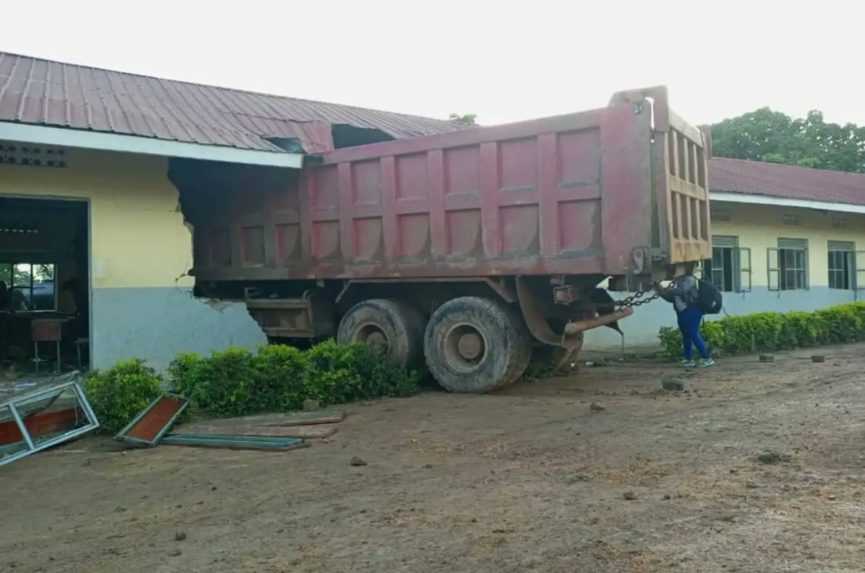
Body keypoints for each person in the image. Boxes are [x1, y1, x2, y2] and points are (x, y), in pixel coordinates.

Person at [658, 266, 714, 368]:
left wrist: (665, 289)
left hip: (693, 310)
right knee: (686, 335)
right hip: (682, 311)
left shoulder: (689, 279)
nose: (673, 272)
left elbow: (681, 291)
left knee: (693, 333)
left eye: (675, 270)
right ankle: (688, 359)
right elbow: (672, 298)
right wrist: (660, 291)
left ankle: (707, 358)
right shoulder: (676, 282)